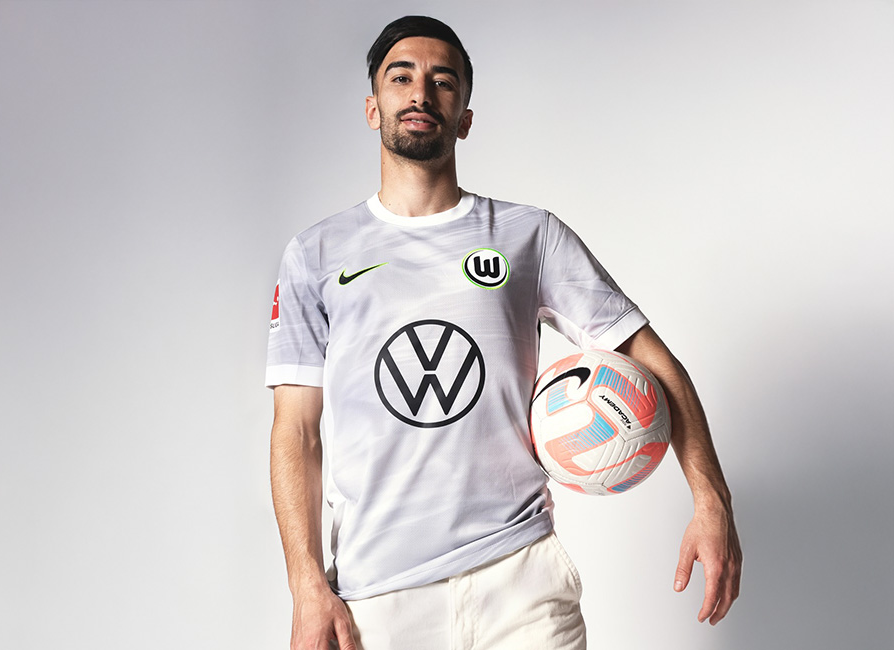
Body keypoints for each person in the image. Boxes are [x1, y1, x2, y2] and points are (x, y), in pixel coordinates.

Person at [267, 15, 741, 650]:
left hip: (521, 578)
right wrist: (305, 586)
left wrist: (711, 501)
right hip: (377, 596)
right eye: (400, 77)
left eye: (443, 81)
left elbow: (653, 362)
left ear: (464, 117)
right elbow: (296, 432)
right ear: (372, 107)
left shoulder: (529, 235)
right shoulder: (316, 254)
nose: (420, 93)